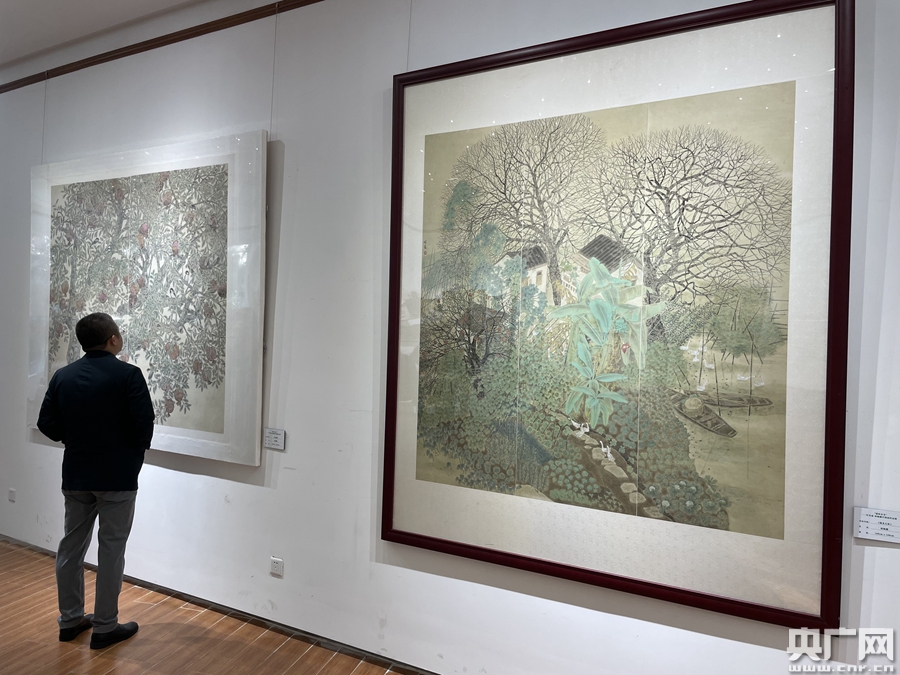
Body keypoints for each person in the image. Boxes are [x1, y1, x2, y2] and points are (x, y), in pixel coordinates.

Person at [37, 312, 154, 650]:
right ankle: (104, 627)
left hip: (76, 474)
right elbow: (144, 425)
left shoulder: (63, 376)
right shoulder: (128, 375)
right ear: (113, 339)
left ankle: (70, 620)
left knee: (70, 548)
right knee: (111, 552)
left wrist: (74, 440)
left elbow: (47, 423)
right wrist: (129, 452)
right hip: (117, 476)